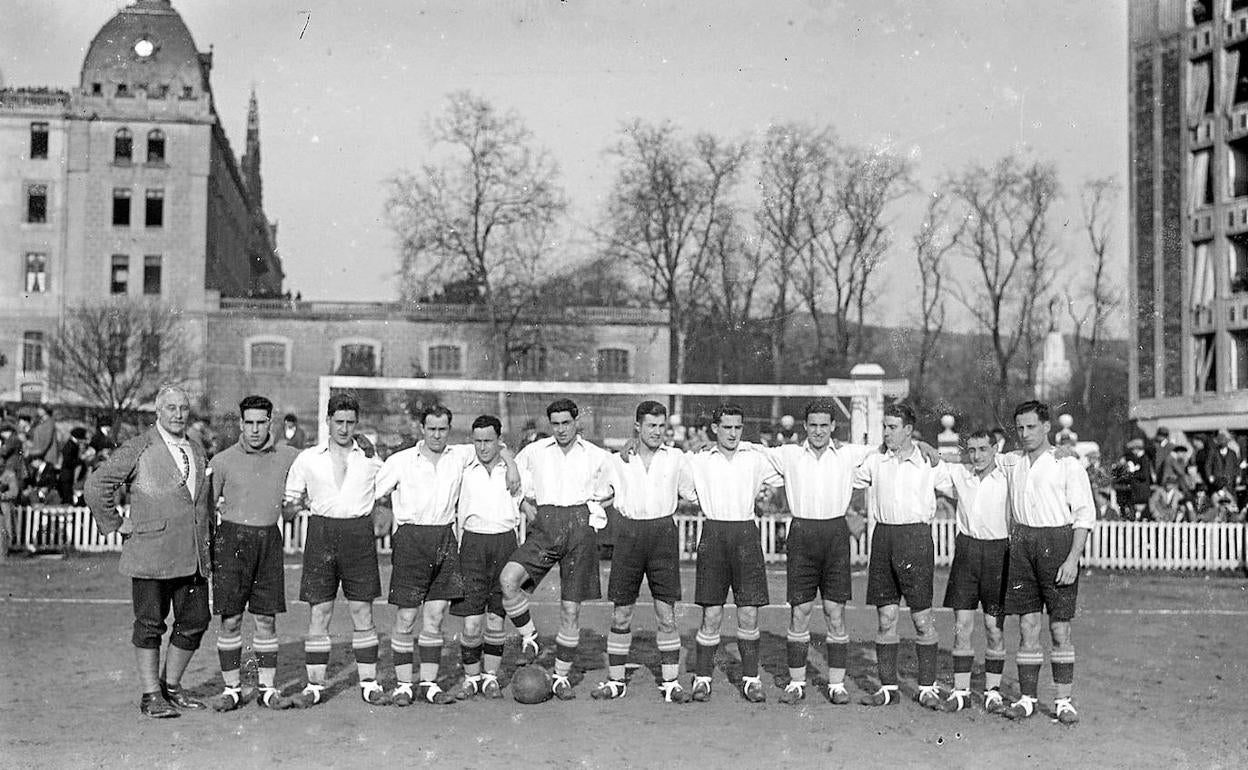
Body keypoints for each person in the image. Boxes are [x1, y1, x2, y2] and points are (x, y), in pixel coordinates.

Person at [373, 405, 518, 706]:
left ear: (449, 431)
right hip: (412, 538)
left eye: (442, 430)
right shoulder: (401, 461)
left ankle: (428, 683)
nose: (437, 435)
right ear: (421, 430)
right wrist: (383, 512)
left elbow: (496, 445)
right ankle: (403, 685)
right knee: (407, 615)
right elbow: (373, 491)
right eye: (431, 429)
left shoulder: (460, 455)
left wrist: (512, 465)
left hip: (445, 537)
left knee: (436, 616)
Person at [84, 386, 212, 718]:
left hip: (192, 555)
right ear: (158, 411)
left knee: (196, 620)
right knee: (150, 624)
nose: (178, 414)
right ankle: (150, 695)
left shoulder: (196, 449)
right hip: (150, 554)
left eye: (183, 408)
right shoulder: (139, 446)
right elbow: (97, 486)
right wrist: (116, 523)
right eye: (170, 408)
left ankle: (171, 687)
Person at [750, 400, 876, 706]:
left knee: (835, 611)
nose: (818, 431)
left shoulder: (849, 454)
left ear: (833, 426)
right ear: (805, 426)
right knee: (800, 611)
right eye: (813, 425)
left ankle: (836, 684)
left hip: (834, 535)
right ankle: (796, 683)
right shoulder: (790, 454)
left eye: (824, 425)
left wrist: (925, 445)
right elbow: (748, 450)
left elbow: (888, 448)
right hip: (802, 534)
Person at [499, 398, 615, 700]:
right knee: (509, 580)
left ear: (577, 422)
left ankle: (561, 677)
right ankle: (530, 637)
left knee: (570, 609)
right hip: (546, 524)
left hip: (579, 529)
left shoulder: (597, 455)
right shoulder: (535, 452)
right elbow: (509, 472)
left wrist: (593, 513)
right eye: (556, 424)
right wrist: (523, 502)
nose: (561, 429)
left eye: (566, 422)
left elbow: (617, 486)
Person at [283, 393, 386, 707]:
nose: (344, 428)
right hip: (322, 533)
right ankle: (315, 685)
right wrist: (294, 505)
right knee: (320, 611)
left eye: (350, 422)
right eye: (338, 421)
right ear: (328, 420)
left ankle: (369, 681)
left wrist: (383, 508)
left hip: (358, 534)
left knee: (362, 610)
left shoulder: (370, 457)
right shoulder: (307, 458)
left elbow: (385, 490)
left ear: (357, 424)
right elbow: (289, 504)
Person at [1000, 400, 1096, 725]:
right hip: (1023, 543)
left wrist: (1072, 558)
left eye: (1031, 427)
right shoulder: (1012, 462)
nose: (1025, 434)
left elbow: (1084, 516)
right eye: (1020, 428)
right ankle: (1027, 698)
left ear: (1046, 427)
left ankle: (1062, 701)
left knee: (1059, 627)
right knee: (1027, 625)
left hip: (1057, 543)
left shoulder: (1067, 463)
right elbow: (976, 459)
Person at [851, 402, 951, 709]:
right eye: (885, 427)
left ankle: (927, 687)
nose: (886, 433)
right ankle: (888, 688)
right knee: (886, 617)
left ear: (908, 430)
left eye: (893, 427)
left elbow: (965, 483)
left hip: (916, 538)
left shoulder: (930, 463)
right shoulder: (875, 460)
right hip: (884, 538)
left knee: (922, 618)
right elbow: (844, 473)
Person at [207, 395, 301, 711]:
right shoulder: (221, 461)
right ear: (241, 424)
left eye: (262, 422)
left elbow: (320, 464)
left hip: (268, 540)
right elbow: (204, 509)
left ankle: (267, 689)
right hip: (231, 540)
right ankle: (232, 688)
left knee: (266, 618)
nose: (256, 429)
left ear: (270, 423)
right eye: (249, 423)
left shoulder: (289, 456)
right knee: (231, 619)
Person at [684, 404, 783, 704]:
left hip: (745, 535)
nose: (732, 433)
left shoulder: (754, 459)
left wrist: (752, 444)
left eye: (738, 428)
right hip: (714, 535)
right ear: (714, 428)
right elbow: (667, 463)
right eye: (726, 427)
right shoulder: (698, 460)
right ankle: (702, 679)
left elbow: (787, 463)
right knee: (711, 613)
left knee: (749, 612)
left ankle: (751, 679)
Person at [601, 401, 698, 703]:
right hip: (628, 535)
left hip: (662, 534)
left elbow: (693, 492)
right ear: (637, 427)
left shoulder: (676, 458)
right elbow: (597, 494)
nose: (657, 432)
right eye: (651, 426)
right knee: (621, 612)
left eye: (661, 426)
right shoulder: (618, 461)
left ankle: (670, 683)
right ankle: (616, 681)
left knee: (666, 613)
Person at [451, 415, 522, 701]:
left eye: (488, 441)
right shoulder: (462, 466)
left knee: (495, 618)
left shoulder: (514, 471)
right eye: (477, 441)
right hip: (472, 543)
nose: (482, 447)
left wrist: (512, 462)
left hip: (505, 541)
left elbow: (529, 503)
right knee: (471, 622)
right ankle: (471, 678)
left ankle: (490, 677)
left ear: (498, 440)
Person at [939, 430, 1010, 714]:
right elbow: (932, 459)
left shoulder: (1007, 475)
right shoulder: (960, 474)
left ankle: (993, 691)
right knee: (963, 626)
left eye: (983, 449)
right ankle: (961, 692)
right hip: (967, 552)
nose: (977, 455)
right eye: (972, 450)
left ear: (995, 449)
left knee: (994, 629)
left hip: (998, 552)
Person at [56, 427, 88, 505]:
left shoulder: (72, 445)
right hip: (66, 475)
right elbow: (68, 461)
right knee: (67, 497)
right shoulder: (70, 446)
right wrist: (80, 460)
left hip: (68, 474)